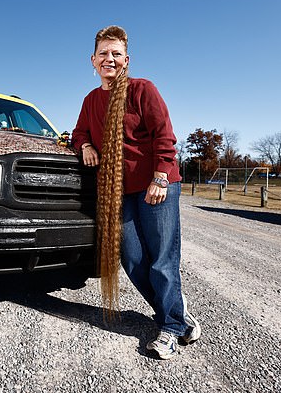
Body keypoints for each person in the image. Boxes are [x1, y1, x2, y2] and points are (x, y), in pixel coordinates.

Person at [71, 25, 201, 360]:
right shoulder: (90, 100)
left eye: (115, 54)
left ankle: (171, 328)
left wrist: (160, 177)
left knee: (162, 259)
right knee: (131, 257)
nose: (109, 59)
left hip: (157, 185)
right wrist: (85, 144)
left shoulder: (143, 89)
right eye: (103, 53)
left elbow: (165, 135)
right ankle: (179, 318)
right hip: (120, 191)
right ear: (93, 60)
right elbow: (79, 131)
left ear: (126, 59)